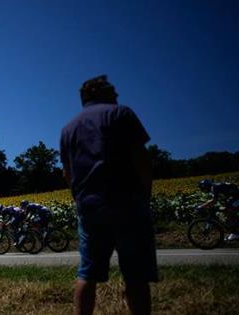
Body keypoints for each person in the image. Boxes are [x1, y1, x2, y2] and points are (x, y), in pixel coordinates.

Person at [60, 75, 158, 315]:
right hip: (126, 200)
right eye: (113, 90)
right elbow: (141, 160)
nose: (116, 95)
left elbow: (67, 173)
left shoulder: (68, 129)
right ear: (101, 93)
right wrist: (145, 196)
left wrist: (80, 200)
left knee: (87, 273)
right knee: (135, 275)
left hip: (89, 206)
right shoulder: (121, 114)